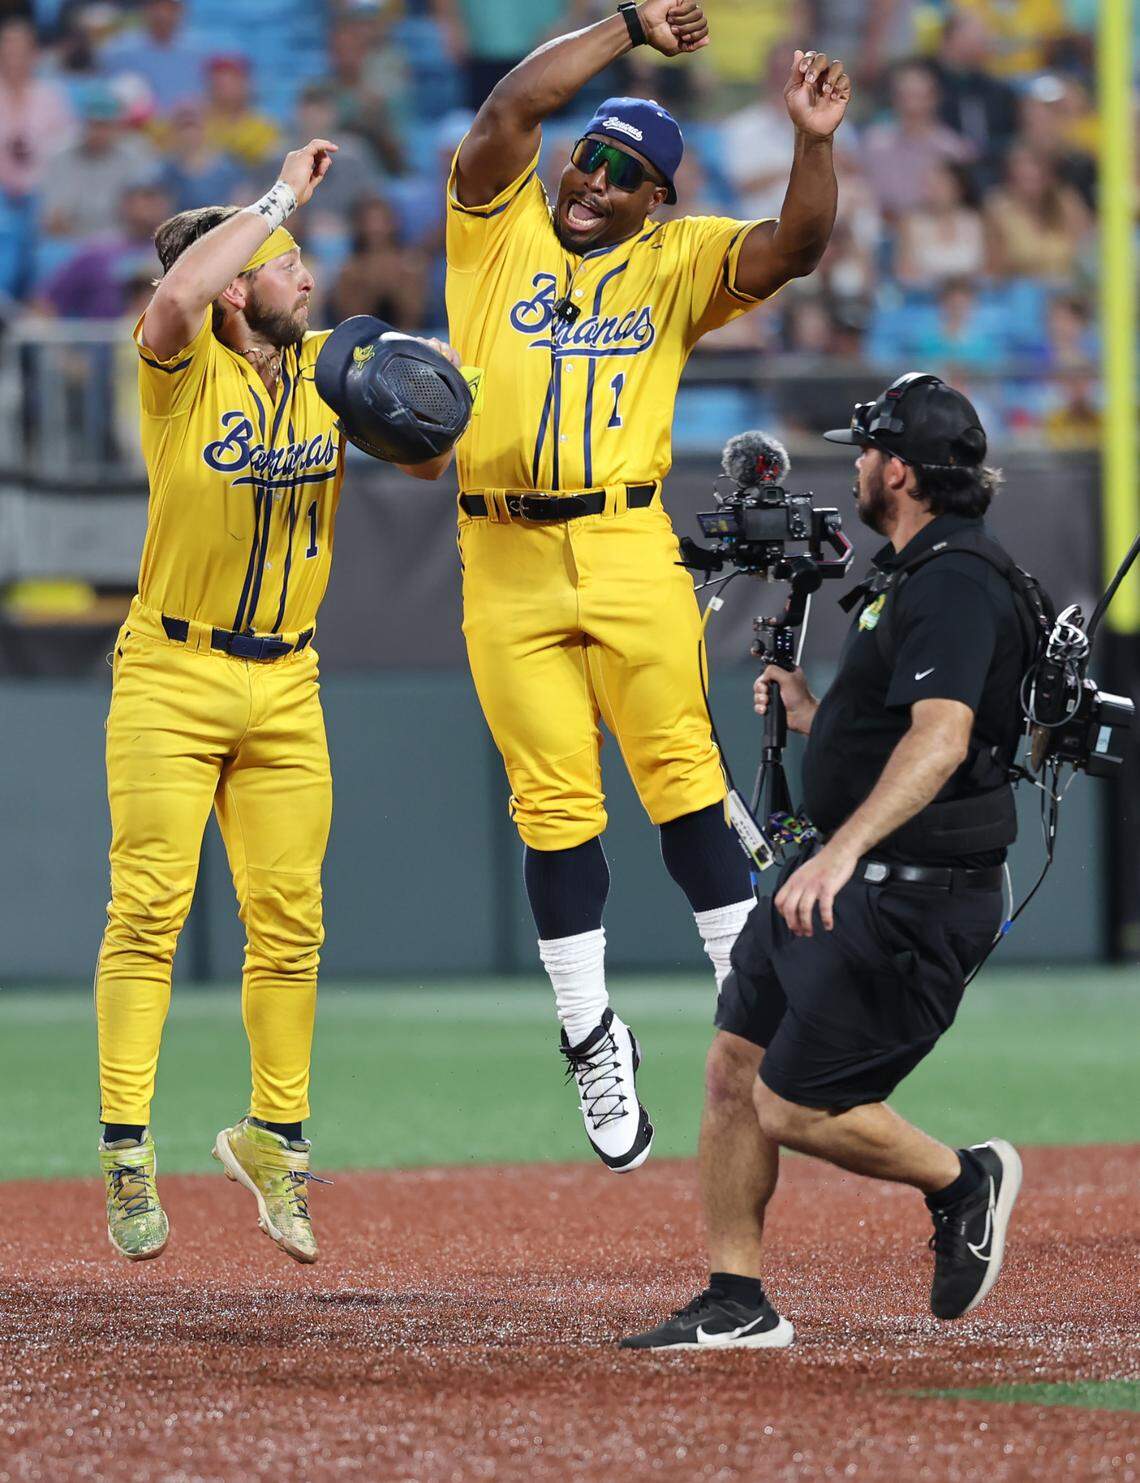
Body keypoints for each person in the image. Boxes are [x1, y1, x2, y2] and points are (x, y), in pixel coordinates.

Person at [442, 2, 850, 1172]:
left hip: (627, 546)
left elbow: (800, 248)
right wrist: (624, 23)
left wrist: (813, 143)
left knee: (682, 781)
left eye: (624, 175)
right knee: (555, 804)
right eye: (590, 158)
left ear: (657, 201)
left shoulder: (678, 263)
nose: (592, 180)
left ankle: (749, 1001)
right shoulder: (495, 233)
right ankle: (589, 1029)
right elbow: (509, 110)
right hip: (505, 553)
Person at [94, 137, 456, 1265]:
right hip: (171, 670)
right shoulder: (178, 363)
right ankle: (125, 1154)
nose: (308, 276)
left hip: (286, 680)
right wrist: (278, 197)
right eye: (288, 261)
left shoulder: (323, 378)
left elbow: (429, 460)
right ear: (238, 279)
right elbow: (180, 293)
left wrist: (423, 399)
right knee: (149, 911)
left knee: (291, 924)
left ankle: (278, 1147)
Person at [622, 374, 1026, 1349]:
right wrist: (815, 716)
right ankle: (735, 1298)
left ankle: (963, 1178)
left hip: (908, 899)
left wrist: (838, 853)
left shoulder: (959, 579)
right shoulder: (911, 570)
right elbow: (895, 726)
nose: (852, 467)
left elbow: (941, 737)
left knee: (796, 1104)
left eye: (863, 451)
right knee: (733, 1067)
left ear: (898, 469)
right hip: (848, 884)